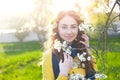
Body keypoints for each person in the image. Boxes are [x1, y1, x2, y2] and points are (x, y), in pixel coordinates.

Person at [42, 10, 98, 80]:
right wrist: (63, 74)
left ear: (78, 28)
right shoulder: (49, 56)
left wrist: (88, 54)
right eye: (64, 27)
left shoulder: (83, 52)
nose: (69, 32)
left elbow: (94, 77)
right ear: (57, 29)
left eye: (73, 27)